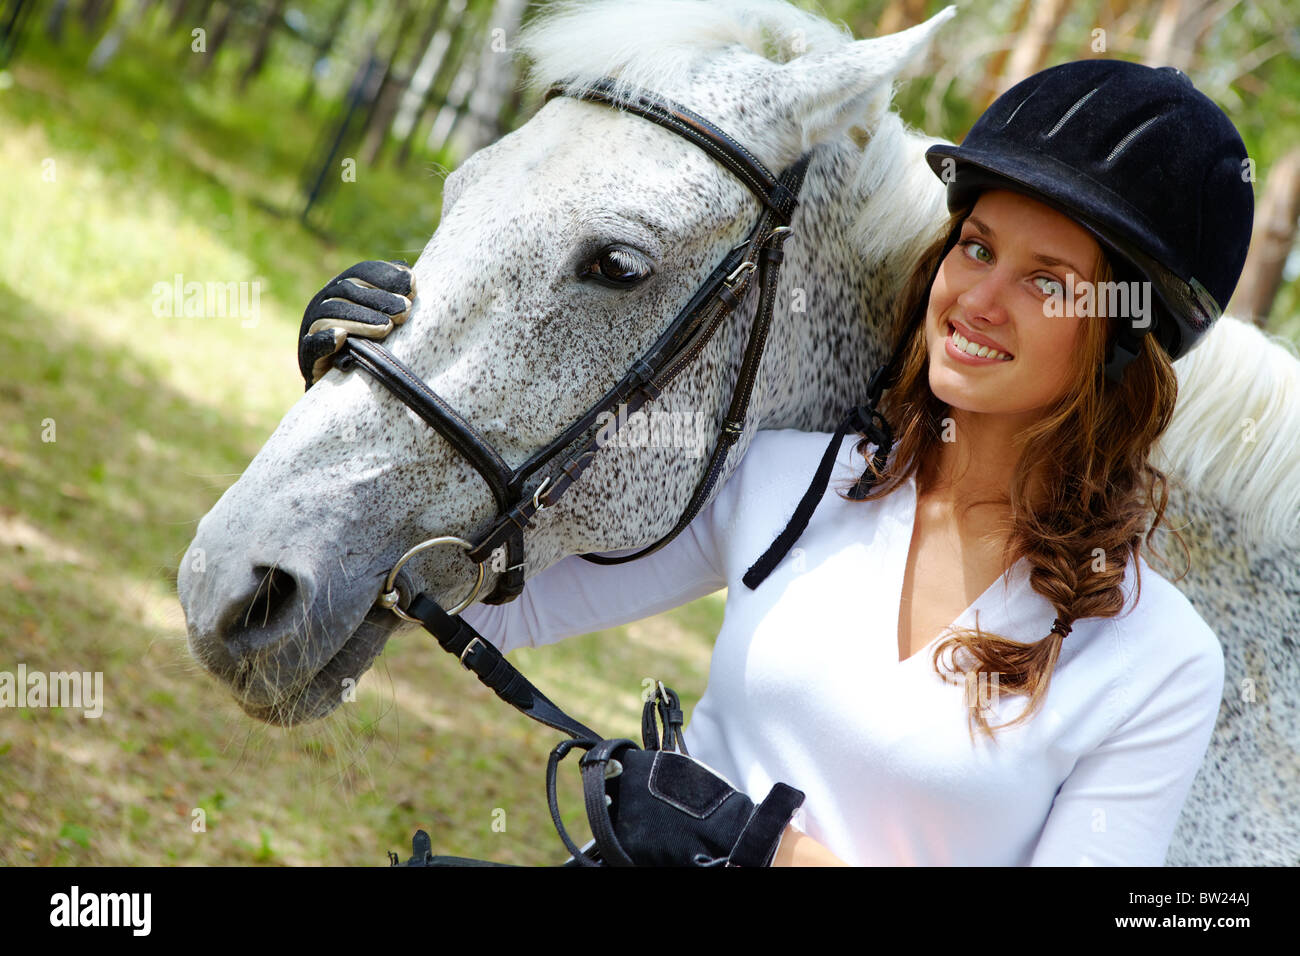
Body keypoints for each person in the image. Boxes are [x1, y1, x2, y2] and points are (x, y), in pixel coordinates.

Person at [307, 59, 1254, 865]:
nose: (979, 298)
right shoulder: (789, 481)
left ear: (1125, 347)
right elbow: (485, 607)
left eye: (1048, 281)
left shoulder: (1158, 659)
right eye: (976, 246)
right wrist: (360, 396)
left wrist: (774, 855)